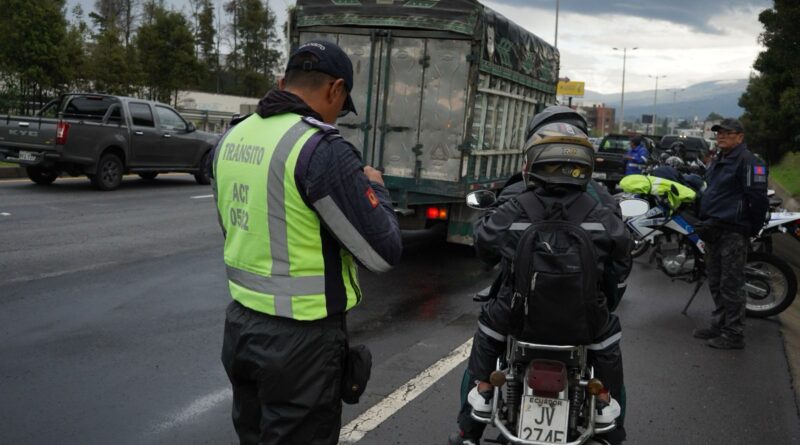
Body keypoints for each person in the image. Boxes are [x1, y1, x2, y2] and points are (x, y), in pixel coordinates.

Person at [213, 40, 402, 445]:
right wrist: (375, 189)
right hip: (302, 345)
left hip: (241, 327)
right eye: (342, 104)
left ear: (283, 82)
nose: (338, 117)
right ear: (335, 89)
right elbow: (383, 252)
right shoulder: (319, 147)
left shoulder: (232, 138)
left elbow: (234, 225)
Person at [448, 112, 632, 445]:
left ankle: (475, 415)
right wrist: (604, 299)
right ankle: (606, 407)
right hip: (584, 321)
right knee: (608, 343)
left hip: (520, 317)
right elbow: (622, 257)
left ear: (532, 158)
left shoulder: (516, 201)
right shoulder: (601, 205)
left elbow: (485, 246)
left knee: (488, 330)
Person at [693, 118, 768, 349]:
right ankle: (719, 325)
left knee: (731, 284)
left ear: (740, 137)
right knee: (715, 281)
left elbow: (758, 198)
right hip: (714, 230)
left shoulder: (749, 161)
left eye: (727, 132)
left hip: (734, 231)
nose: (721, 136)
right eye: (719, 133)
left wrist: (751, 228)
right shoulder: (720, 159)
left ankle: (734, 334)